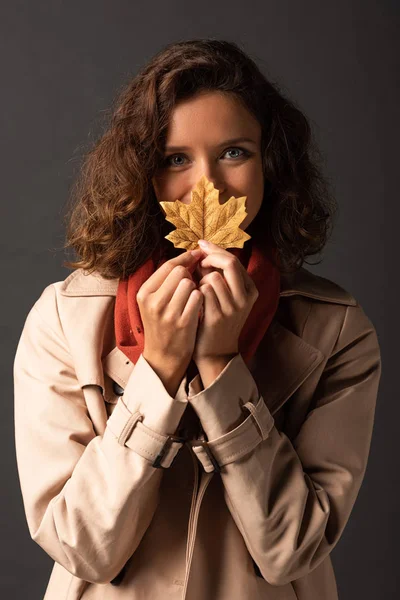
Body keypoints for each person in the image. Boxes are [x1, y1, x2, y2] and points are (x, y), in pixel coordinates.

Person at [13, 38, 382, 600]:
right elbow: (84, 546)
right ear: (143, 172)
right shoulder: (64, 319)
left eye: (235, 152)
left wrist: (220, 364)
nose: (206, 186)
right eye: (175, 158)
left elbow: (292, 549)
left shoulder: (337, 329)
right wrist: (157, 371)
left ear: (271, 164)